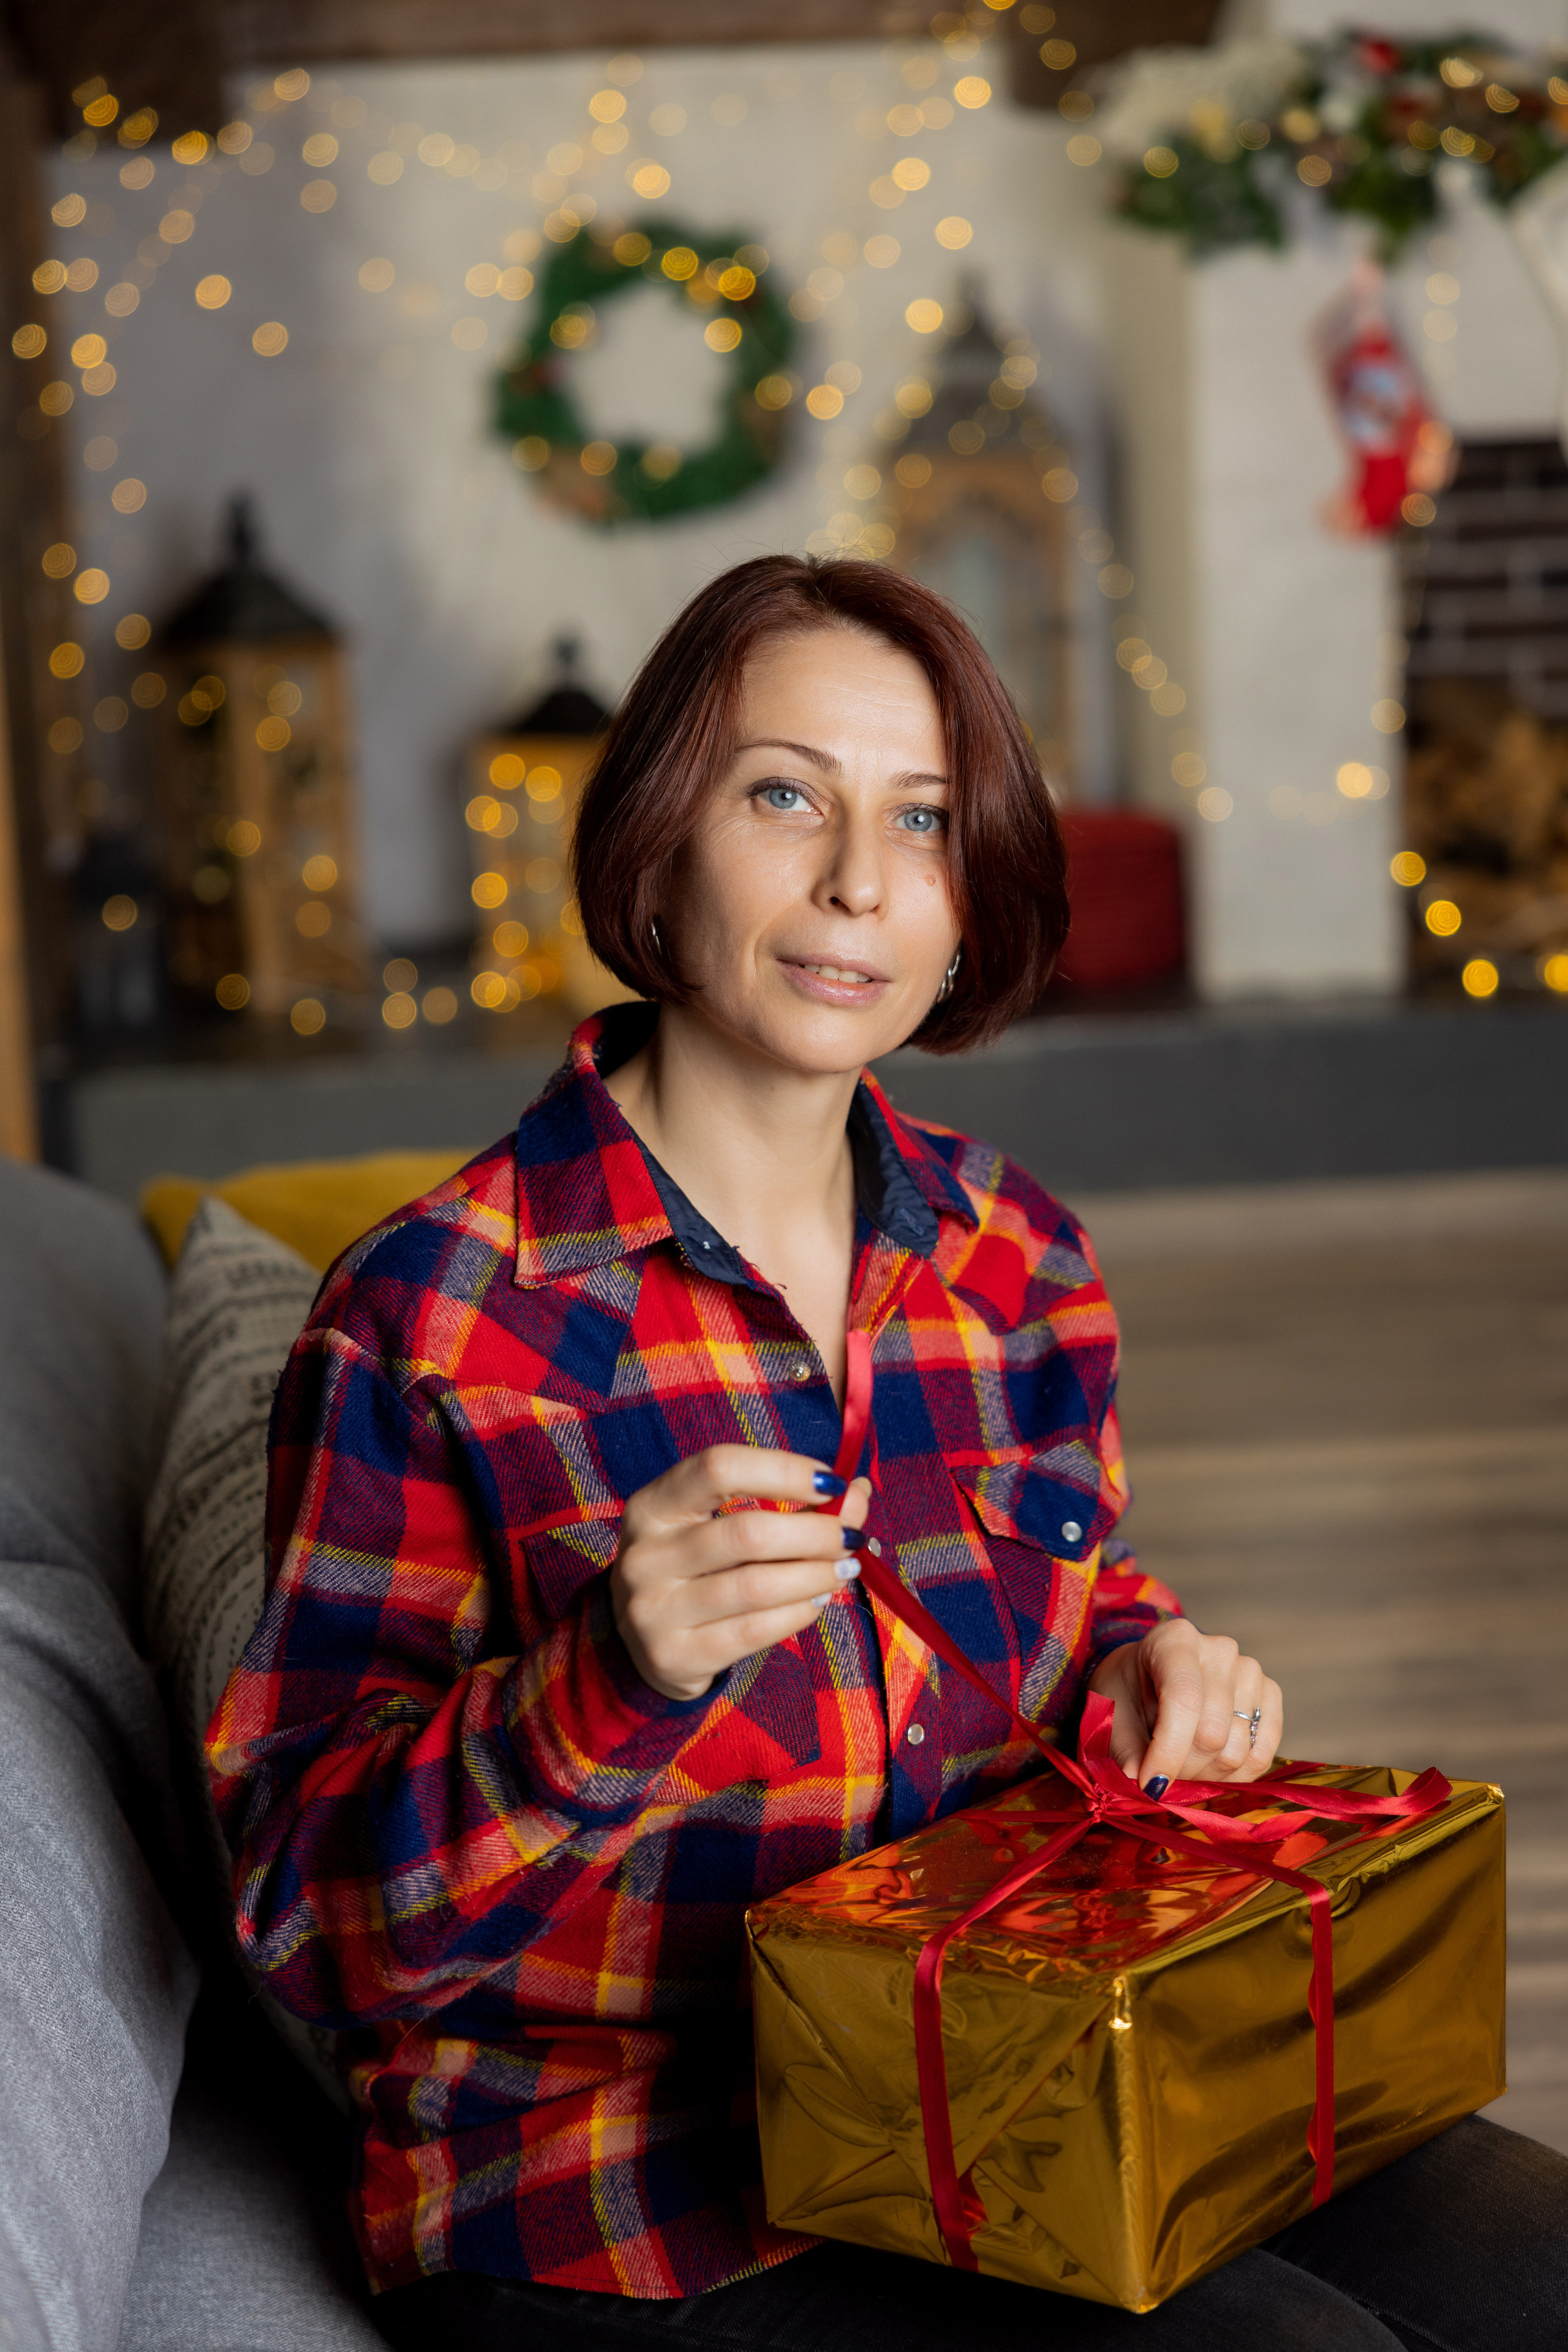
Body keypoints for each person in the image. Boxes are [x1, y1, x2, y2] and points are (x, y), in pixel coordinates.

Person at [208, 557, 1566, 2351]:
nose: (859, 880)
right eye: (787, 796)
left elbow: (1069, 1595)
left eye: (922, 820)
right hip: (626, 2186)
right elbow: (314, 1929)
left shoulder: (1018, 1255)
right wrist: (606, 1678)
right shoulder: (436, 1315)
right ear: (658, 838)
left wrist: (1147, 1667)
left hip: (1002, 2065)